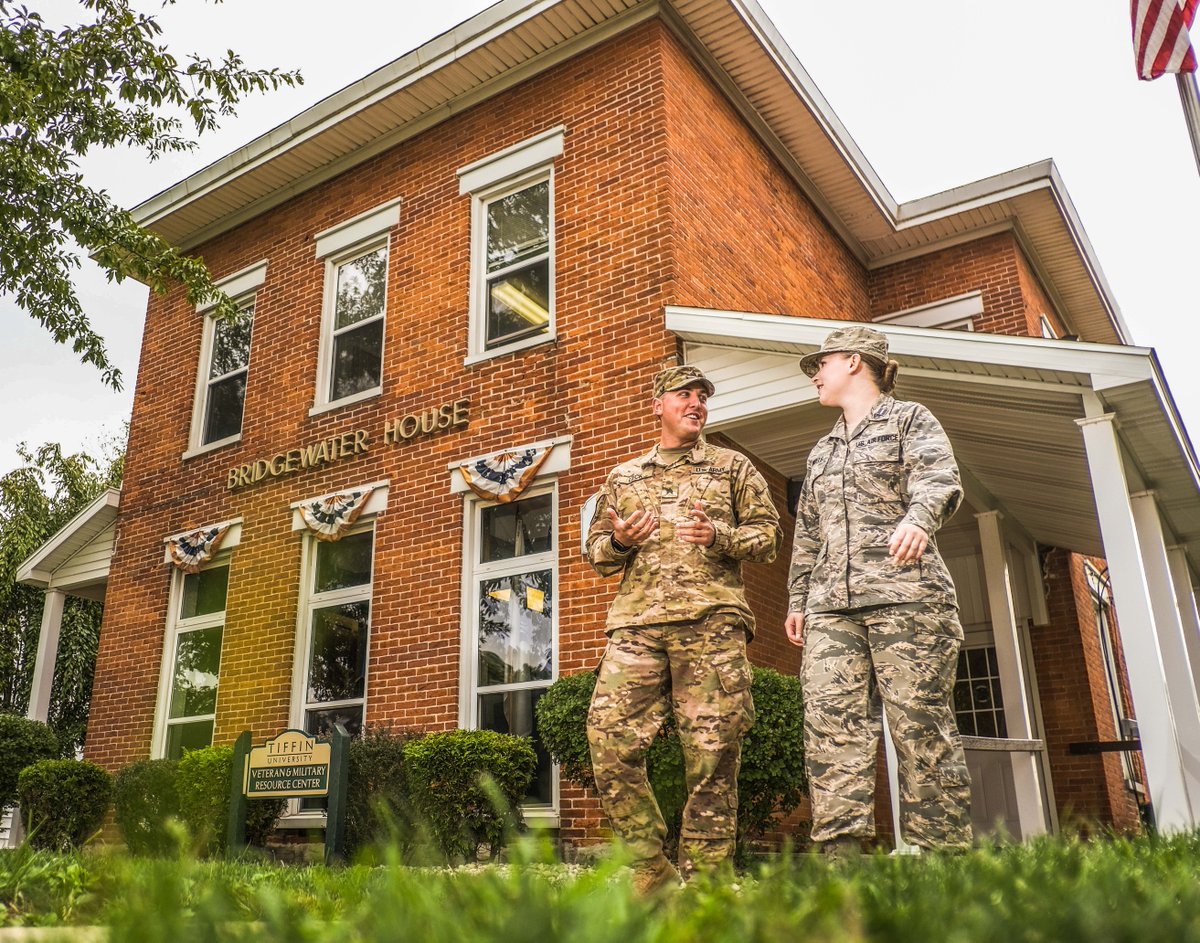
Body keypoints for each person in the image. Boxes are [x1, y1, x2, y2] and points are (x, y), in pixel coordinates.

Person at [586, 364, 782, 892]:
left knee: (713, 754)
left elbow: (768, 538)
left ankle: (706, 882)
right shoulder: (624, 476)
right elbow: (598, 554)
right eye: (684, 394)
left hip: (711, 623)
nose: (696, 403)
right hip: (637, 625)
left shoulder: (732, 466)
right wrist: (621, 541)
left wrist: (719, 536)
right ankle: (649, 867)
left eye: (702, 396)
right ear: (658, 405)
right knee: (608, 736)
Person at [786, 325, 972, 857]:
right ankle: (841, 866)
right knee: (831, 732)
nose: (814, 375)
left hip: (907, 599)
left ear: (852, 361)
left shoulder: (910, 419)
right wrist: (798, 600)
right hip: (831, 609)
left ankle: (942, 863)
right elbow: (808, 532)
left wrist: (919, 518)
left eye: (821, 364)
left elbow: (939, 479)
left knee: (920, 730)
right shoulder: (821, 451)